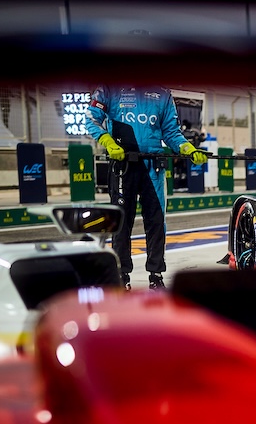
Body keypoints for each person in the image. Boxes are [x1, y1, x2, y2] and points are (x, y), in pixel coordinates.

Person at [85, 84, 208, 291]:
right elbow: (91, 118)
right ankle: (121, 275)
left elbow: (171, 131)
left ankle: (156, 275)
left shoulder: (163, 93)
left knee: (156, 221)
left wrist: (188, 148)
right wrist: (107, 141)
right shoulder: (110, 87)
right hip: (123, 165)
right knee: (121, 222)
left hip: (154, 166)